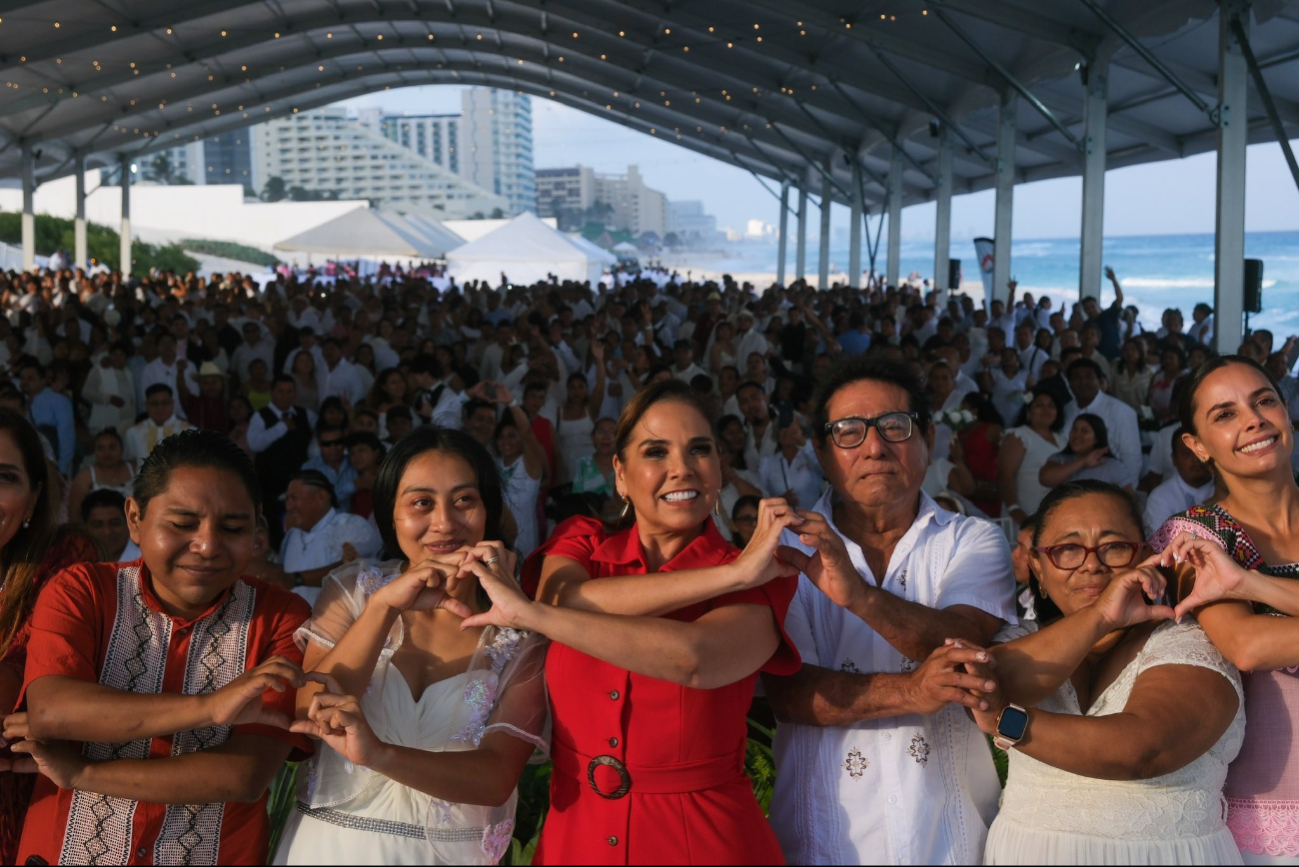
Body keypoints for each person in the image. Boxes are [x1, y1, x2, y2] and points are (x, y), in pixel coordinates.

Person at [488, 379, 806, 865]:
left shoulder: (764, 572)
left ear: (719, 468)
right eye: (655, 451)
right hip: (577, 837)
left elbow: (696, 659)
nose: (681, 469)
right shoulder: (582, 542)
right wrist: (730, 575)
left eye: (700, 450)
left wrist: (738, 571)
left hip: (707, 840)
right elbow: (565, 600)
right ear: (620, 473)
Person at [9, 429, 314, 866]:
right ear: (135, 517)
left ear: (257, 525)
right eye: (182, 524)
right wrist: (210, 707)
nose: (207, 546)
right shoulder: (83, 590)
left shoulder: (283, 616)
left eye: (232, 527)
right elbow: (55, 711)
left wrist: (83, 773)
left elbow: (243, 774)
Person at [763, 355, 1015, 865]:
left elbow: (963, 641)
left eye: (894, 427)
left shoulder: (974, 538)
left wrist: (859, 597)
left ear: (929, 438)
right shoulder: (783, 548)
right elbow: (789, 692)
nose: (874, 447)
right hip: (822, 842)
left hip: (950, 840)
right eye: (849, 431)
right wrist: (914, 691)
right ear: (820, 449)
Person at [274, 426, 549, 865]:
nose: (444, 523)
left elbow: (497, 776)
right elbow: (312, 709)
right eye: (422, 503)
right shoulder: (353, 590)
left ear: (487, 511)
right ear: (391, 514)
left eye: (464, 500)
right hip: (328, 851)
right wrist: (383, 606)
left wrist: (381, 755)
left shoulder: (519, 629)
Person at [968, 480, 1243, 864]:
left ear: (1144, 555)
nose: (1091, 563)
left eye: (1113, 547)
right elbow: (989, 684)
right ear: (1038, 568)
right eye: (1067, 549)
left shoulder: (1191, 640)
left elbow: (1144, 749)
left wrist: (1005, 721)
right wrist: (1099, 618)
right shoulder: (1019, 638)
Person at [1148, 355, 1299, 863]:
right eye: (1225, 414)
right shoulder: (1191, 537)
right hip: (1275, 811)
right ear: (1196, 446)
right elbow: (1248, 644)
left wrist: (1252, 583)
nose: (1253, 420)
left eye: (1264, 401)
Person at [0, 409, 99, 863]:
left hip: (25, 814)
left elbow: (26, 681)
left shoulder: (64, 558)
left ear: (36, 495)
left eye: (5, 477)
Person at [279, 470, 382, 607]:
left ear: (321, 496)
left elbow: (355, 570)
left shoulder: (350, 525)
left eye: (294, 498)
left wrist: (298, 579)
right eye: (287, 499)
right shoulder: (291, 535)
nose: (289, 506)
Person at [249, 375, 318, 541]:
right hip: (269, 484)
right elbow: (255, 444)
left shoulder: (306, 414)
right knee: (272, 526)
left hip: (298, 481)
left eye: (289, 392)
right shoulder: (260, 416)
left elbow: (313, 445)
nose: (285, 396)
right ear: (272, 392)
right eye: (280, 391)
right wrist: (281, 427)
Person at [1062, 358, 1143, 482]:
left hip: (1108, 485)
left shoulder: (1120, 411)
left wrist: (1126, 491)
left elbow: (1132, 458)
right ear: (1069, 383)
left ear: (1100, 382)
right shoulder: (1065, 410)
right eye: (1077, 377)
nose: (1082, 382)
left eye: (1089, 377)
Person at [1000, 389, 1065, 524]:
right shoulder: (1018, 436)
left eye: (1051, 406)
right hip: (1025, 514)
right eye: (1039, 405)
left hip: (1058, 515)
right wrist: (1014, 507)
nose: (1045, 409)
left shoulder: (1063, 440)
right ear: (1029, 410)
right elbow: (1006, 473)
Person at [1142, 427, 1215, 535]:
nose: (1196, 458)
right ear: (1174, 459)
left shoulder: (1227, 487)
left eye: (1200, 450)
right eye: (1186, 453)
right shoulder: (1160, 498)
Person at [1040, 413, 1134, 493]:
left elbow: (1131, 501)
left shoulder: (1112, 466)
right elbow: (1046, 479)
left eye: (1084, 431)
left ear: (1097, 438)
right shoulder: (1059, 459)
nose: (1077, 435)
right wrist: (1083, 462)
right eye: (1074, 429)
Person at [66, 427, 138, 522]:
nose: (107, 453)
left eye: (112, 447)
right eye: (101, 448)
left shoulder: (136, 470)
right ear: (95, 451)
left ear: (121, 449)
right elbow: (74, 513)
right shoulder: (85, 476)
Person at [19, 359, 75, 476]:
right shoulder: (19, 402)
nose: (24, 382)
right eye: (22, 378)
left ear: (43, 380)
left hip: (54, 466)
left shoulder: (59, 401)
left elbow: (66, 438)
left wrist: (62, 470)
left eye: (30, 378)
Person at [123, 384, 195, 463]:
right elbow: (130, 463)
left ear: (172, 404)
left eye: (164, 403)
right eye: (154, 403)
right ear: (146, 405)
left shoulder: (190, 432)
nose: (160, 408)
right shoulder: (133, 433)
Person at [81, 341, 136, 435]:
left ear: (126, 358)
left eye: (121, 355)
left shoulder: (129, 373)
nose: (118, 358)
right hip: (103, 425)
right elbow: (86, 392)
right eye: (115, 354)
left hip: (126, 426)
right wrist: (109, 399)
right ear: (110, 356)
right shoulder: (99, 370)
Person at [303, 424, 359, 511]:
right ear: (319, 445)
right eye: (327, 444)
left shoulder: (355, 463)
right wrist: (354, 485)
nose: (333, 448)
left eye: (338, 442)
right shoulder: (309, 468)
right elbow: (316, 501)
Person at [345, 431, 385, 520]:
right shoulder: (350, 477)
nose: (357, 456)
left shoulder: (387, 476)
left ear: (376, 452)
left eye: (361, 450)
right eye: (352, 453)